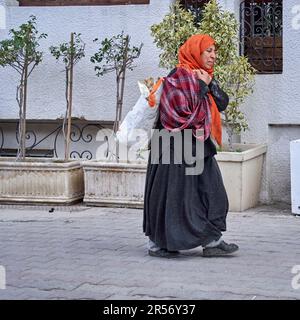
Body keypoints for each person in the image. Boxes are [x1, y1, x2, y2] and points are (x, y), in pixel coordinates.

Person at [143, 34, 239, 258]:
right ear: (196, 51)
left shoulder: (204, 76)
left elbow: (222, 102)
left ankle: (212, 241)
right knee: (169, 195)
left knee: (211, 190)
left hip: (197, 143)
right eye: (209, 51)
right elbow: (180, 110)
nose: (214, 56)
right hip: (171, 145)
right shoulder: (178, 76)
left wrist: (209, 84)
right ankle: (158, 244)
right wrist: (201, 86)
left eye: (215, 51)